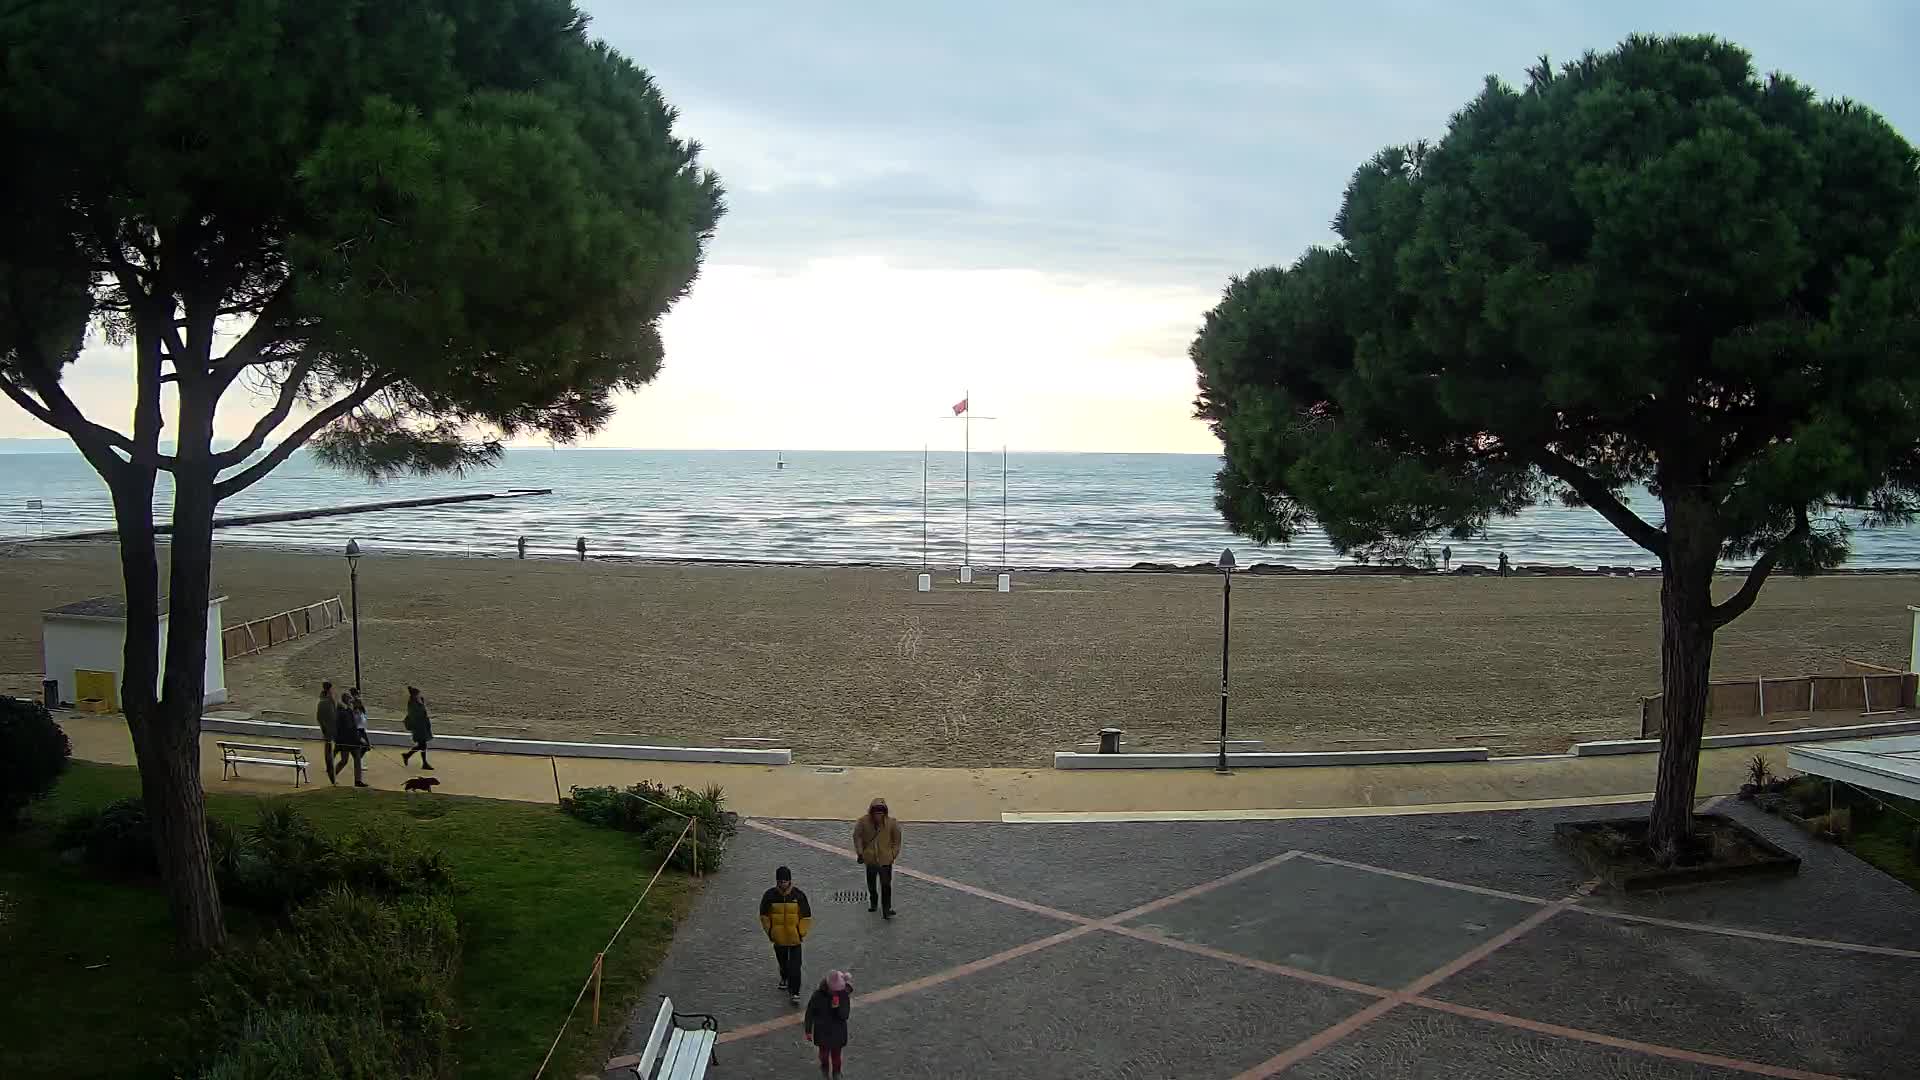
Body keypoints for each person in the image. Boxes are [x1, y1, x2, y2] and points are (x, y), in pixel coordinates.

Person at [759, 866, 812, 1005]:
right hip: (779, 939)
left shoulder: (798, 895)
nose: (783, 884)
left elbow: (806, 916)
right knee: (783, 964)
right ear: (777, 881)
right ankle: (784, 976)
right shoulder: (769, 896)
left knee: (796, 967)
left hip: (795, 939)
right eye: (781, 881)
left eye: (785, 881)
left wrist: (801, 932)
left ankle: (795, 992)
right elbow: (764, 916)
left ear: (790, 881)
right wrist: (770, 932)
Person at [852, 796, 902, 918]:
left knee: (886, 885)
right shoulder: (863, 822)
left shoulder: (892, 823)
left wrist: (892, 855)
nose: (878, 816)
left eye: (881, 812)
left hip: (885, 860)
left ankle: (886, 909)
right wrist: (860, 852)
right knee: (871, 884)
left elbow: (897, 841)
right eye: (876, 812)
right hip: (870, 860)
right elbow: (857, 836)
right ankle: (873, 903)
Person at [803, 969, 852, 1079]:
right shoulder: (818, 996)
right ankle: (825, 1067)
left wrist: (837, 1007)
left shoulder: (843, 995)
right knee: (824, 1055)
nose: (835, 993)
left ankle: (836, 1072)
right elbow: (810, 1013)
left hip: (837, 1032)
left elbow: (845, 1015)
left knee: (836, 1057)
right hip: (822, 1031)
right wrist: (808, 1030)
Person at [333, 689, 367, 786]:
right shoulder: (345, 712)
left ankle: (358, 780)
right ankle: (334, 776)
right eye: (350, 699)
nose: (351, 701)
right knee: (345, 760)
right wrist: (359, 739)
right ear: (347, 700)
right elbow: (350, 727)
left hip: (347, 740)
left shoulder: (344, 711)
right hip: (348, 740)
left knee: (353, 759)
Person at [402, 686, 434, 769]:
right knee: (422, 745)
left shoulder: (418, 701)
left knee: (422, 745)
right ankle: (423, 763)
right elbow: (416, 715)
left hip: (422, 727)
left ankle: (408, 756)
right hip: (418, 728)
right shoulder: (412, 703)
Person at [316, 681, 339, 784]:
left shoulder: (325, 699)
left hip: (330, 728)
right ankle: (330, 768)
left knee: (330, 748)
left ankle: (329, 766)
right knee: (330, 748)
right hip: (330, 728)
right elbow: (321, 716)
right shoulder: (326, 701)